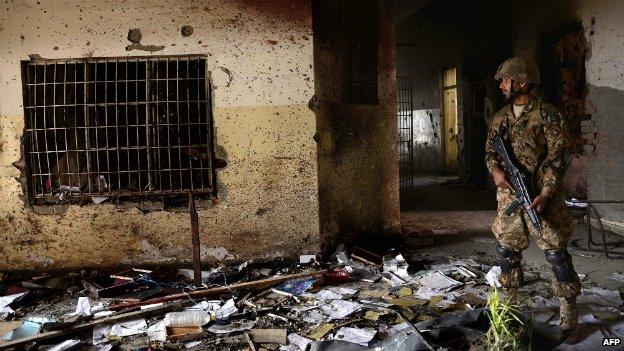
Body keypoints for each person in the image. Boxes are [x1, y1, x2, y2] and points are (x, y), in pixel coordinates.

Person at [485, 57, 580, 332]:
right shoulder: (501, 117)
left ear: (522, 82)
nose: (502, 85)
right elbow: (491, 151)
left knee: (555, 253)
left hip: (541, 195)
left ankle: (568, 307)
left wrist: (546, 193)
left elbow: (558, 158)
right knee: (507, 249)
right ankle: (508, 302)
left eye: (506, 80)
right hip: (509, 195)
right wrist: (495, 172)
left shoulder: (549, 114)